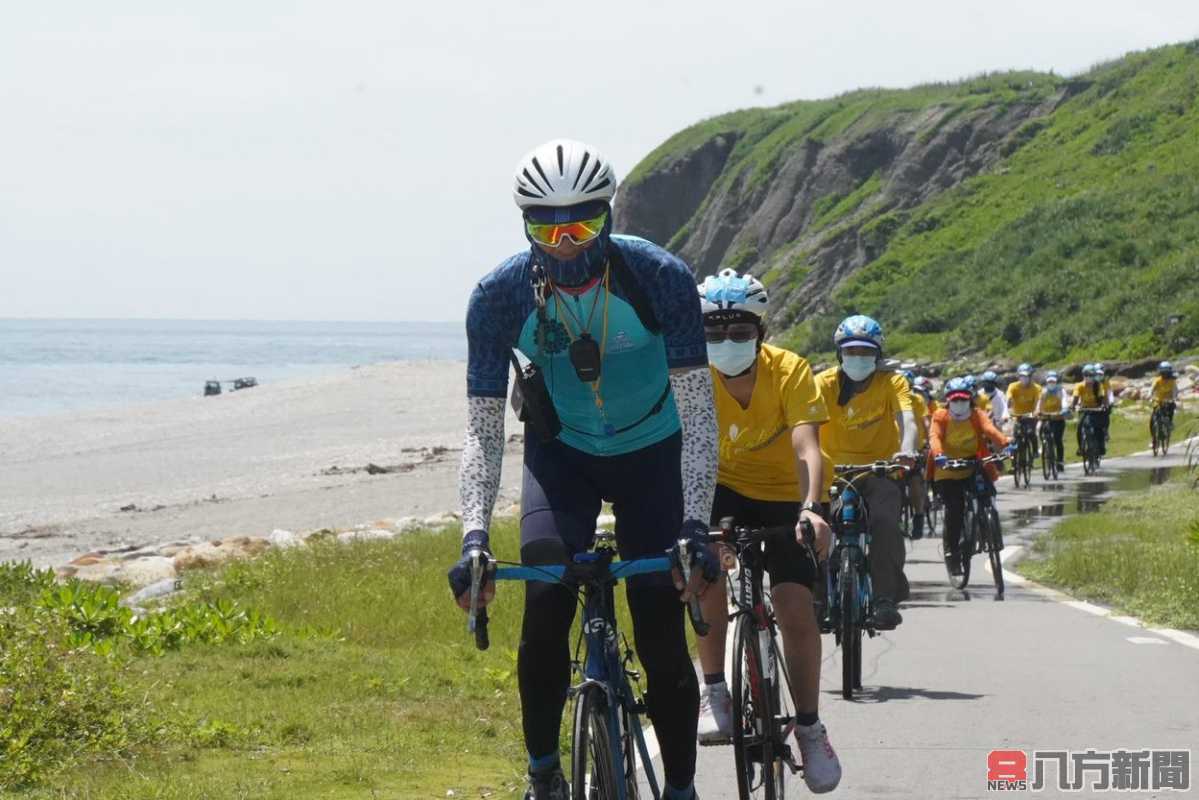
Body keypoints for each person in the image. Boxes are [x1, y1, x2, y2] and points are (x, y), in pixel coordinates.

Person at [447, 139, 719, 800]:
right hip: (561, 456)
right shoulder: (498, 296)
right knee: (544, 603)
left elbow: (699, 413)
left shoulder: (658, 277)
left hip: (655, 452)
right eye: (547, 228)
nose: (566, 244)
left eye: (582, 225)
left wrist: (693, 523)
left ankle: (680, 789)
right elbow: (482, 432)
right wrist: (474, 538)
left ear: (609, 214)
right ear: (524, 227)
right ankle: (543, 774)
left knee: (659, 627)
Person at [691, 269, 841, 793]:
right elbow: (681, 448)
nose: (726, 343)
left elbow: (807, 446)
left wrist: (812, 508)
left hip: (786, 493)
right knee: (702, 572)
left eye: (740, 333)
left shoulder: (790, 370)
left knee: (795, 606)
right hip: (724, 489)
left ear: (761, 331)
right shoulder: (692, 374)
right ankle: (714, 692)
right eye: (714, 332)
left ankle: (809, 726)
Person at [814, 315, 918, 630]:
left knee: (886, 523)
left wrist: (907, 449)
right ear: (839, 354)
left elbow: (907, 420)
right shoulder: (824, 383)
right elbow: (805, 424)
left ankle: (885, 598)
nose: (857, 358)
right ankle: (816, 599)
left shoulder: (892, 382)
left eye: (865, 351)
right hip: (831, 472)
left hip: (880, 471)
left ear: (878, 354)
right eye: (851, 351)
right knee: (812, 529)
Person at [929, 378, 1012, 575]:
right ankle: (953, 553)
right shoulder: (940, 416)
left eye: (963, 399)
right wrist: (939, 456)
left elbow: (990, 430)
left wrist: (1005, 441)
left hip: (973, 464)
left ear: (970, 399)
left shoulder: (977, 414)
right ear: (948, 400)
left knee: (987, 494)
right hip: (947, 468)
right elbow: (934, 437)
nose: (959, 403)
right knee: (955, 509)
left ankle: (988, 528)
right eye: (954, 399)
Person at [902, 371, 929, 540]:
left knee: (915, 483)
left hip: (915, 449)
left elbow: (925, 421)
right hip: (893, 450)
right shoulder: (888, 397)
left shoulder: (917, 400)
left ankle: (919, 516)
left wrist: (929, 442)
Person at [1071, 363, 1112, 457]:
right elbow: (1076, 397)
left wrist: (1104, 406)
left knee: (1098, 429)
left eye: (1090, 375)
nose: (1088, 377)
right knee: (1079, 428)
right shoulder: (1079, 385)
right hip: (1084, 409)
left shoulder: (1099, 385)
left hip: (1097, 410)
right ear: (1083, 375)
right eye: (1086, 375)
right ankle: (1081, 447)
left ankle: (1101, 446)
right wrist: (1073, 406)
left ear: (1094, 376)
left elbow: (1103, 397)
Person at [1033, 371, 1068, 471]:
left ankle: (1060, 461)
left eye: (1053, 381)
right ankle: (1043, 446)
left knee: (1058, 440)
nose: (1051, 383)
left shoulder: (1061, 391)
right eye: (1049, 382)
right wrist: (1037, 411)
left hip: (1058, 419)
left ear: (1056, 382)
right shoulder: (1043, 392)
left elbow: (1065, 401)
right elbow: (1039, 403)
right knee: (1039, 430)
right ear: (1047, 382)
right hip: (1046, 418)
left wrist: (1064, 409)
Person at [1005, 363, 1042, 457]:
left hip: (1030, 415)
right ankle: (1014, 463)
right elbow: (1008, 397)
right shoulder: (1013, 386)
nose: (1023, 379)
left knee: (1031, 433)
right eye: (1021, 376)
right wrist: (1007, 408)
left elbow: (1039, 400)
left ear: (1030, 376)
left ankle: (1034, 451)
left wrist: (1037, 410)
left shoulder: (1036, 388)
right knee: (1014, 437)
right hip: (1017, 415)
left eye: (1026, 376)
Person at [1150, 360, 1179, 439]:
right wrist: (1150, 396)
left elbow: (1175, 390)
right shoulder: (1157, 380)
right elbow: (1152, 389)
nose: (1165, 374)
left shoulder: (1172, 381)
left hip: (1169, 400)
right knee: (1152, 419)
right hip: (1158, 400)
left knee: (1171, 408)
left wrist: (1174, 398)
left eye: (1166, 372)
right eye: (1163, 372)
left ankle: (1170, 423)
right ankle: (1154, 439)